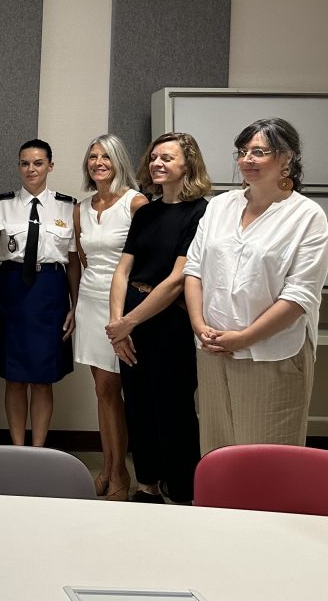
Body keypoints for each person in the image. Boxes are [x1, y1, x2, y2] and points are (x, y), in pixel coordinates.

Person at [185, 118, 328, 452]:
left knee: (265, 458)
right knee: (217, 450)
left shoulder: (307, 216)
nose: (246, 159)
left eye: (259, 151)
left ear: (287, 159)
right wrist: (198, 325)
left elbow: (299, 295)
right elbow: (194, 269)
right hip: (213, 349)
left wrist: (245, 338)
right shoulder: (221, 205)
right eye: (243, 151)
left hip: (271, 354)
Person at [107, 132, 210, 504]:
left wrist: (127, 323)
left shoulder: (201, 211)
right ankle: (147, 485)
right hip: (132, 319)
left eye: (167, 158)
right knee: (138, 406)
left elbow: (177, 279)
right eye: (153, 158)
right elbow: (122, 271)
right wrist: (117, 325)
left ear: (188, 164)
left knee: (174, 410)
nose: (157, 164)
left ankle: (184, 493)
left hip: (171, 321)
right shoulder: (146, 211)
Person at [0, 139, 78, 448]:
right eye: (25, 163)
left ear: (50, 165)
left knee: (42, 377)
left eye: (38, 163)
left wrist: (75, 306)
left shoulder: (68, 207)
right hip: (11, 290)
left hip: (51, 292)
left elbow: (74, 262)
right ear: (18, 166)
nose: (31, 169)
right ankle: (17, 448)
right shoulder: (0, 205)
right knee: (14, 376)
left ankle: (38, 450)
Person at [72, 133, 147, 501]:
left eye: (105, 156)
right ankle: (107, 466)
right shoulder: (82, 207)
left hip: (121, 306)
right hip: (88, 301)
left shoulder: (135, 203)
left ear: (119, 161)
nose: (98, 162)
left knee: (114, 391)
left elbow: (147, 259)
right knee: (102, 392)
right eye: (92, 157)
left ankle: (121, 475)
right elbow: (81, 259)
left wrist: (129, 312)